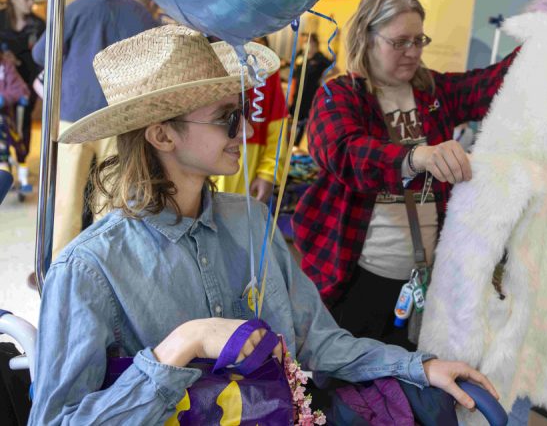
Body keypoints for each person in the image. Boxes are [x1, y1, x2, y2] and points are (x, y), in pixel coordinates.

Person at [29, 25, 498, 424]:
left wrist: (419, 367)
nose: (246, 132)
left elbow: (320, 341)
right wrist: (180, 346)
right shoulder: (90, 268)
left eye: (244, 113)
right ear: (162, 134)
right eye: (228, 119)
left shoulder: (250, 222)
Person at [292, 0, 518, 348]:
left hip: (423, 283)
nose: (412, 52)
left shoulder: (433, 93)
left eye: (419, 40)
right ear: (367, 36)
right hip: (354, 279)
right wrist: (417, 156)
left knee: (407, 386)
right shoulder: (341, 94)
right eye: (399, 42)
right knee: (340, 385)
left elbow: (493, 84)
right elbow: (345, 153)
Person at [32, 0, 159, 257]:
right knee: (110, 202)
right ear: (149, 0)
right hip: (120, 119)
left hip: (71, 117)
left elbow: (40, 54)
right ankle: (103, 264)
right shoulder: (146, 20)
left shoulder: (79, 7)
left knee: (66, 199)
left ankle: (60, 266)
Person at [213, 38, 288, 202]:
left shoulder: (264, 70)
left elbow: (278, 127)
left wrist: (268, 173)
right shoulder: (200, 64)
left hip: (248, 172)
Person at [0, 0, 45, 190]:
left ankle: (22, 160)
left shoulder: (38, 24)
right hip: (3, 80)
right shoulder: (1, 20)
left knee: (23, 123)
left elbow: (42, 56)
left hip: (26, 83)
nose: (31, 3)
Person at [290, 33, 331, 146]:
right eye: (304, 42)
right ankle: (288, 142)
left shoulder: (320, 58)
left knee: (303, 117)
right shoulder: (301, 55)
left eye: (308, 42)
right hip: (297, 90)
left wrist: (323, 77)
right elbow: (295, 69)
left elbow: (335, 68)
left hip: (310, 92)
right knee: (292, 115)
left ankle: (295, 144)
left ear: (314, 43)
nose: (305, 45)